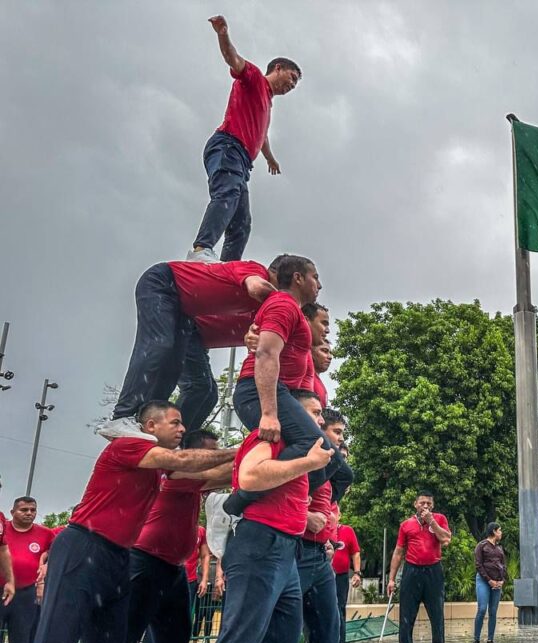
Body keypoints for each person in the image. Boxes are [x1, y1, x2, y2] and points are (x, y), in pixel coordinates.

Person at [10, 402, 235, 643]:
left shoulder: (157, 468)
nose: (181, 428)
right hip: (84, 546)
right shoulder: (129, 446)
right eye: (175, 422)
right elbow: (190, 462)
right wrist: (243, 448)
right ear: (150, 425)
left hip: (118, 556)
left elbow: (217, 474)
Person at [173, 414, 336, 643]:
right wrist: (309, 462)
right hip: (259, 542)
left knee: (281, 642)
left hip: (286, 549)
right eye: (314, 412)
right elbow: (249, 476)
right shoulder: (271, 436)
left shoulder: (295, 449)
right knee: (238, 642)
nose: (320, 420)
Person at [73, 430, 233, 643]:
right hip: (144, 562)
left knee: (176, 637)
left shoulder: (192, 481)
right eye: (210, 451)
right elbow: (225, 472)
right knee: (125, 639)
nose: (214, 454)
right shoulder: (176, 474)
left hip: (172, 567)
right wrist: (256, 448)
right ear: (192, 454)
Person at [97, 257, 278, 441]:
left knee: (203, 390)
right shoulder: (258, 274)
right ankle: (122, 417)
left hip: (191, 325)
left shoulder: (279, 324)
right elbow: (256, 286)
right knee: (160, 346)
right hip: (165, 287)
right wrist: (282, 298)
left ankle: (167, 438)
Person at [229, 256, 349, 515]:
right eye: (314, 277)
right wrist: (270, 414)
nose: (319, 284)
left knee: (331, 463)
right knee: (320, 453)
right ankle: (242, 502)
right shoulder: (283, 304)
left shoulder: (289, 310)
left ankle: (274, 504)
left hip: (280, 394)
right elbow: (266, 354)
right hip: (258, 393)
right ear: (297, 278)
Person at [191, 15, 301, 263]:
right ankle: (201, 249)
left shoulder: (267, 105)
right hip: (228, 146)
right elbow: (233, 59)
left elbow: (261, 137)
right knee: (227, 194)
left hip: (242, 162)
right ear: (278, 68)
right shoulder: (254, 79)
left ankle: (228, 268)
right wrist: (223, 34)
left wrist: (271, 159)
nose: (292, 85)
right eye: (292, 78)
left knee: (242, 223)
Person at [292, 392, 371, 643]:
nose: (332, 434)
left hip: (318, 557)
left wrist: (327, 539)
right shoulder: (297, 455)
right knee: (271, 634)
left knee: (328, 629)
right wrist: (303, 518)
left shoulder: (326, 470)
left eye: (337, 431)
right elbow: (273, 498)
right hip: (290, 555)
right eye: (333, 429)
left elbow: (326, 506)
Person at [387, 492, 452, 643]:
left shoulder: (439, 519)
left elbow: (446, 539)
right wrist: (391, 579)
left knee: (437, 615)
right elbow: (398, 552)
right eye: (422, 502)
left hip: (434, 570)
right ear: (415, 504)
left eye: (429, 503)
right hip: (412, 570)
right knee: (406, 616)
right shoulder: (406, 525)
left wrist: (432, 522)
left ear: (433, 505)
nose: (425, 505)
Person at [2, 498, 52, 643]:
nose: (29, 513)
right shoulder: (3, 529)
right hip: (2, 588)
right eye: (24, 509)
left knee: (21, 631)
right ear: (13, 511)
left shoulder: (45, 533)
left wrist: (46, 565)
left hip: (25, 590)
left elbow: (57, 549)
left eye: (32, 510)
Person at [324, 410, 358, 643]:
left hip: (334, 572)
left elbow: (355, 552)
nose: (342, 463)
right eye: (336, 432)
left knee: (334, 614)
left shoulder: (335, 501)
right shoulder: (316, 470)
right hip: (308, 556)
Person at [473, 522, 506, 643]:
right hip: (483, 581)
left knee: (493, 611)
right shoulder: (481, 546)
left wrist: (502, 580)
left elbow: (503, 565)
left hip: (497, 583)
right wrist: (489, 580)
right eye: (499, 530)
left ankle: (490, 640)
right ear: (493, 531)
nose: (501, 533)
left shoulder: (499, 548)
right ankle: (476, 640)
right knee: (482, 609)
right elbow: (478, 564)